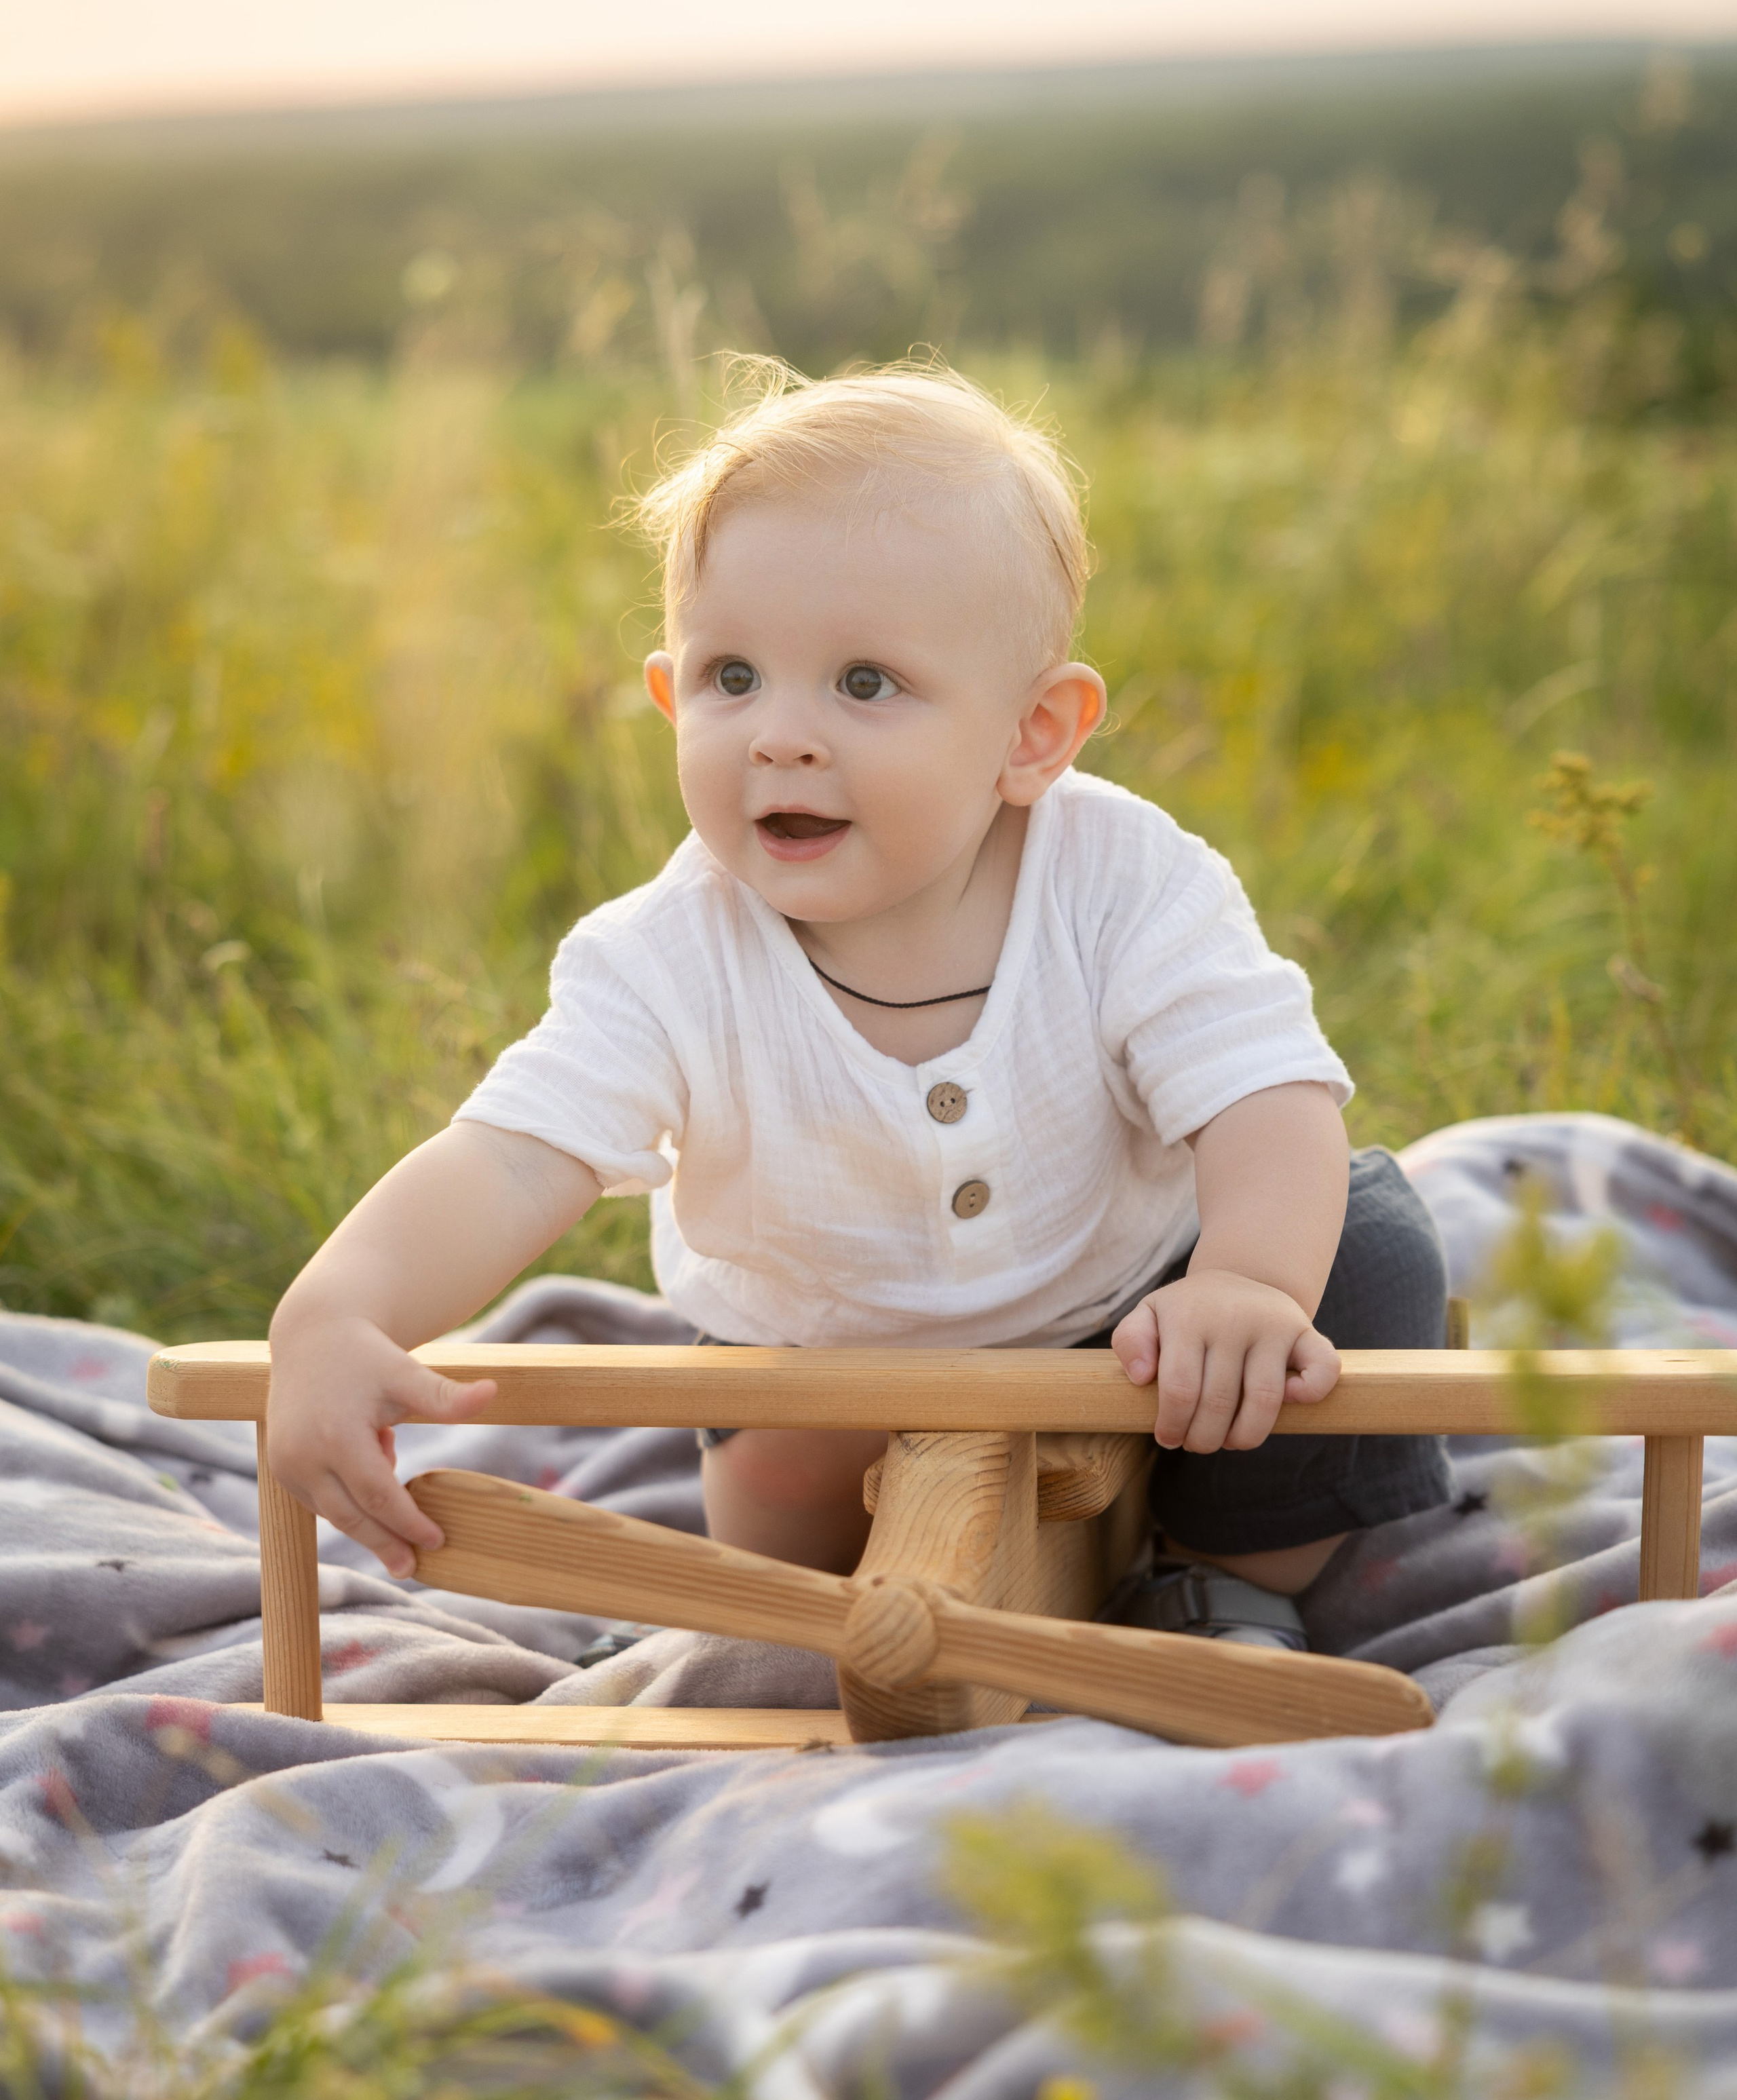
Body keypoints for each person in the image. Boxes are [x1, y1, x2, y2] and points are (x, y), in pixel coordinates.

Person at [267, 361, 1449, 1653]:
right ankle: (823, 1614)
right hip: (823, 1365)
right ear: (668, 698)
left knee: (1369, 1244)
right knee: (783, 1505)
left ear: (1032, 735)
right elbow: (507, 1159)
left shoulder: (1124, 879)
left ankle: (1226, 1570)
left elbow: (1260, 1089)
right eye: (731, 679)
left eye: (865, 684)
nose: (778, 736)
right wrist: (340, 1309)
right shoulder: (668, 954)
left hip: (1138, 1323)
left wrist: (1243, 1281)